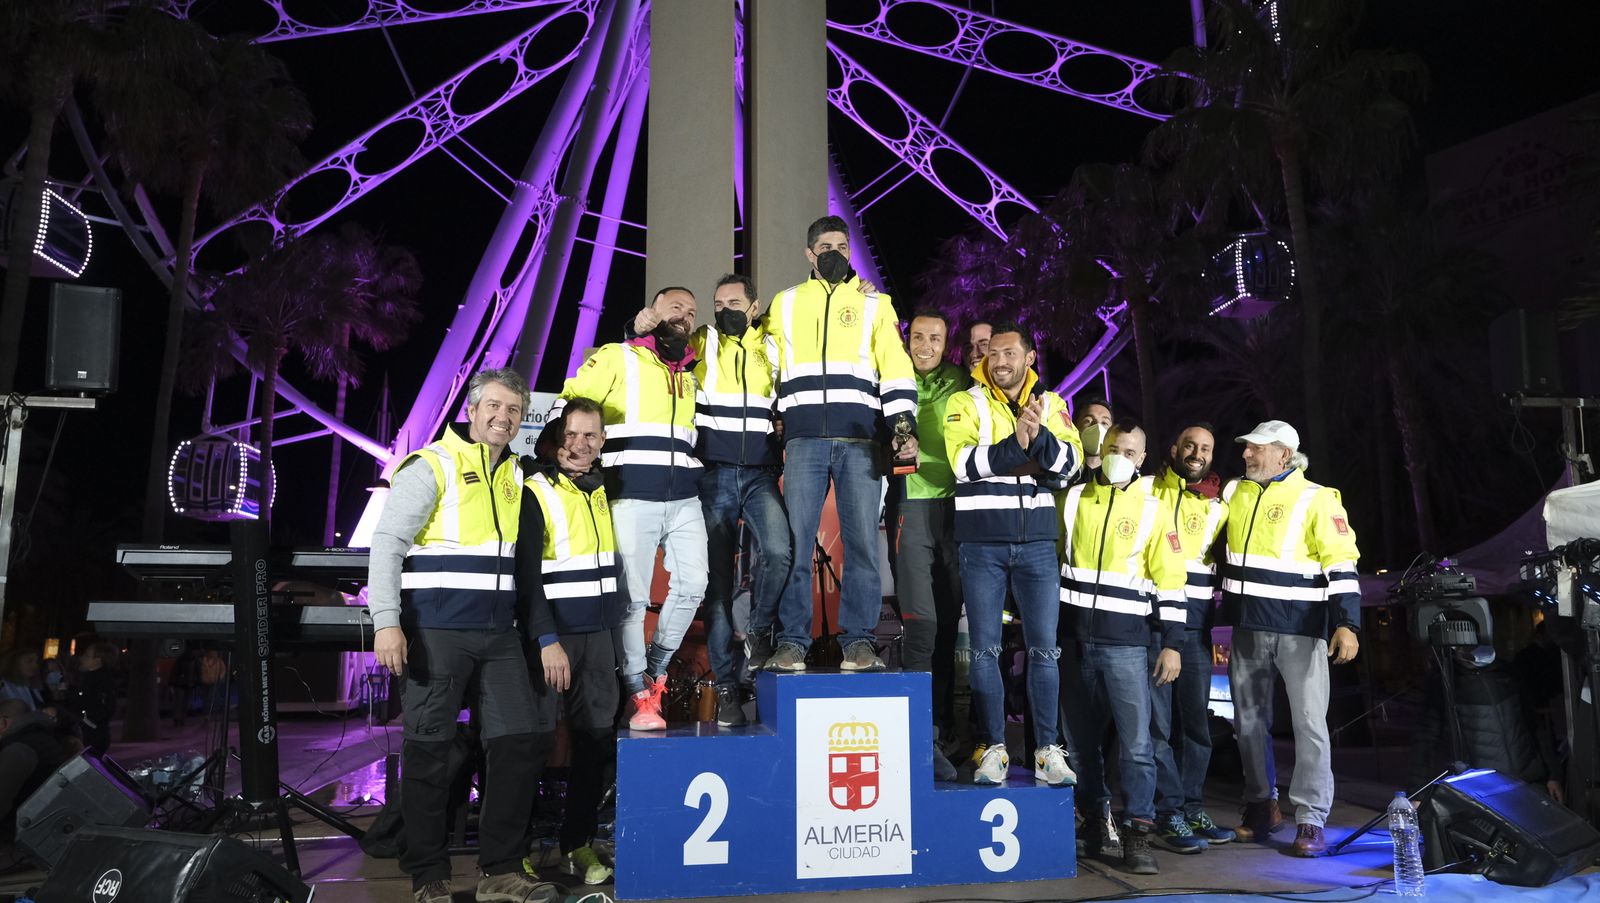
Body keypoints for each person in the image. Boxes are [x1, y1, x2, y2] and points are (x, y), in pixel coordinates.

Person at [368, 367, 560, 903]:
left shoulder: (515, 477)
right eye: (494, 407)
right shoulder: (432, 465)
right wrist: (387, 621)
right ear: (472, 410)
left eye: (514, 411)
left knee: (519, 742)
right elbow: (387, 544)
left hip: (500, 635)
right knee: (428, 753)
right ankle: (428, 877)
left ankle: (499, 870)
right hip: (435, 632)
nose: (504, 417)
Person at [764, 215, 919, 672]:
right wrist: (773, 417)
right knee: (795, 545)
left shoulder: (876, 304)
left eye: (843, 246)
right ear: (810, 254)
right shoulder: (785, 302)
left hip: (861, 439)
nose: (836, 253)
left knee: (863, 548)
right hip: (806, 438)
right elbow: (767, 363)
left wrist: (902, 426)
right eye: (826, 246)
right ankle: (792, 641)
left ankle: (859, 643)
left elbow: (895, 364)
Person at [944, 323, 1082, 788]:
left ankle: (1046, 751)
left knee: (1045, 649)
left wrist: (1038, 441)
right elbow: (964, 466)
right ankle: (994, 749)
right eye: (993, 354)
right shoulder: (965, 402)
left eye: (1010, 353)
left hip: (1039, 546)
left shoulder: (1055, 404)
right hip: (981, 544)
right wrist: (1020, 451)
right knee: (985, 649)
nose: (1000, 361)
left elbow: (1069, 465)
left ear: (1030, 357)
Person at [563, 287, 706, 730]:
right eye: (675, 307)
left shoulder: (690, 373)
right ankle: (640, 692)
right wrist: (629, 334)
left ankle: (656, 664)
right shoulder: (617, 356)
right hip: (630, 496)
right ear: (651, 311)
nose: (684, 315)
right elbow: (573, 399)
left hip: (684, 497)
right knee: (634, 601)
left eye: (691, 311)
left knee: (694, 584)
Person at [1221, 420, 1361, 857]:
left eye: (1256, 449)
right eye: (1246, 448)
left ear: (1283, 455)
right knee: (1247, 724)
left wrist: (1347, 624)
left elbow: (1341, 562)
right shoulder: (1233, 493)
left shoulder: (1318, 498)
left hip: (1301, 630)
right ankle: (1262, 805)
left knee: (1308, 725)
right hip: (1247, 628)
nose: (1246, 455)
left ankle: (1310, 818)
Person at [1058, 422, 1187, 875]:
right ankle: (1096, 822)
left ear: (1143, 458)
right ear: (1102, 447)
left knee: (1136, 746)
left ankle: (1138, 834)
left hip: (1127, 645)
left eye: (1131, 452)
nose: (1121, 456)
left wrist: (1172, 644)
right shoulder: (1072, 498)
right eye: (1114, 448)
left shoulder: (1155, 508)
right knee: (1079, 746)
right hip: (1073, 640)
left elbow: (1172, 581)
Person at [677, 274, 792, 725]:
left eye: (735, 302)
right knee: (718, 587)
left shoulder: (774, 347)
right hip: (715, 475)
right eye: (718, 301)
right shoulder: (702, 342)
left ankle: (760, 632)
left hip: (761, 474)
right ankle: (726, 688)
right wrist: (639, 322)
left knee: (780, 552)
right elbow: (657, 341)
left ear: (753, 305)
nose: (726, 308)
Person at [517, 399, 622, 887]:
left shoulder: (599, 489)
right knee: (530, 744)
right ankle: (512, 852)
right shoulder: (536, 491)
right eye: (573, 434)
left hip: (598, 639)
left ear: (602, 441)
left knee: (594, 744)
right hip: (554, 641)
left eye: (591, 435)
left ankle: (577, 843)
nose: (581, 444)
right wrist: (546, 639)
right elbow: (527, 576)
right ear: (557, 438)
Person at [1148, 423, 1235, 852]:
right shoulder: (1148, 491)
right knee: (1159, 730)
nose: (1197, 453)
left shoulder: (1220, 506)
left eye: (1205, 448)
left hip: (1197, 632)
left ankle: (1192, 807)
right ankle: (1168, 812)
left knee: (1197, 729)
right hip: (1156, 630)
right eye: (1190, 445)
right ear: (1174, 448)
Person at [898, 309, 971, 780]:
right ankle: (915, 735)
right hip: (910, 505)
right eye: (919, 336)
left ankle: (939, 731)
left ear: (947, 344)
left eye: (936, 338)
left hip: (959, 509)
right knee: (921, 627)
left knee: (947, 628)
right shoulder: (892, 374)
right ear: (907, 339)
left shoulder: (961, 381)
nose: (926, 345)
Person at [0, 699, 69, 836]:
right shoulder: (42, 737)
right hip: (48, 826)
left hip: (21, 837)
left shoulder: (18, 750)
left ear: (2, 723)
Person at [67, 641, 118, 755]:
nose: (82, 658)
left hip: (90, 735)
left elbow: (102, 709)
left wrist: (86, 721)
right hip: (92, 733)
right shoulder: (91, 679)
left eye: (87, 656)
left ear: (97, 661)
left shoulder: (98, 682)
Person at [1073, 397, 1114, 477]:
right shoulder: (1062, 473)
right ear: (1075, 427)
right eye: (1088, 421)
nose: (1098, 426)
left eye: (1104, 423)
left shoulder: (1117, 479)